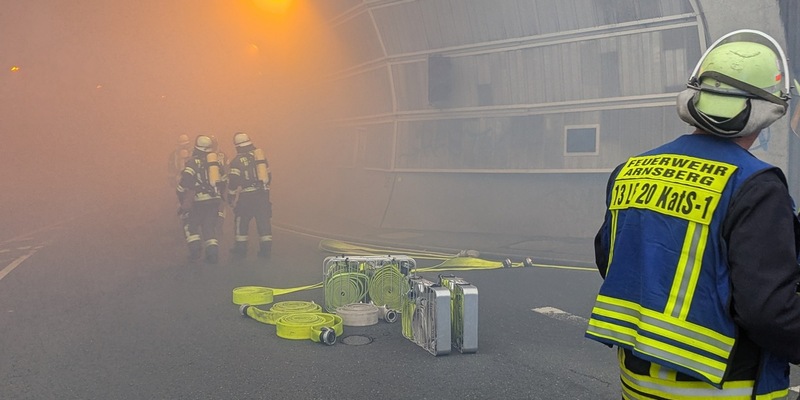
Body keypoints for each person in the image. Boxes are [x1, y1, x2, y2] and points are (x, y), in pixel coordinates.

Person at [585, 29, 800, 399]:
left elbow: (611, 259)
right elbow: (768, 312)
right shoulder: (756, 186)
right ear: (768, 111)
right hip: (725, 387)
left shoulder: (631, 170)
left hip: (638, 384)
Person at [176, 135, 226, 263]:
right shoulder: (215, 163)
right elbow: (224, 180)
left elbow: (186, 180)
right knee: (209, 227)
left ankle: (195, 251)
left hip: (198, 201)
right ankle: (212, 254)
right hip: (214, 200)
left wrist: (181, 195)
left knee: (190, 225)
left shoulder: (193, 162)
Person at [226, 132, 272, 259]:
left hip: (246, 197)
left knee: (241, 221)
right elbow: (269, 176)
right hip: (262, 194)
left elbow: (233, 182)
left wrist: (231, 197)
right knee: (263, 221)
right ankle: (266, 250)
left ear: (237, 146)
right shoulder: (260, 157)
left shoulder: (236, 161)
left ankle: (240, 249)